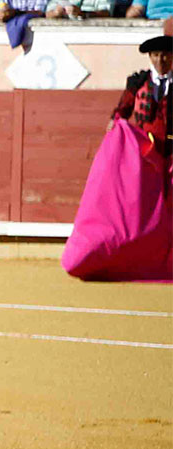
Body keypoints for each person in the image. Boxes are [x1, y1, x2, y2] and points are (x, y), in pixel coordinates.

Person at [63, 35, 173, 281]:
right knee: (140, 206)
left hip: (172, 152)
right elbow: (121, 112)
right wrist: (115, 128)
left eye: (165, 55)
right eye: (156, 55)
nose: (161, 59)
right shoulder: (138, 82)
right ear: (150, 57)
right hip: (145, 155)